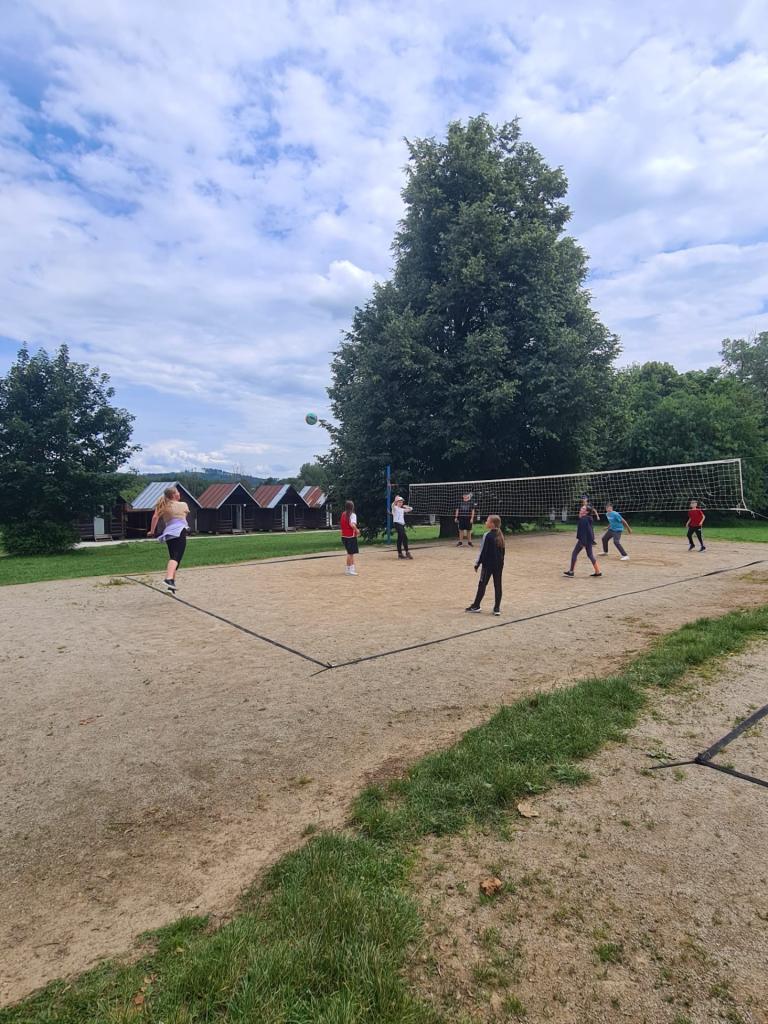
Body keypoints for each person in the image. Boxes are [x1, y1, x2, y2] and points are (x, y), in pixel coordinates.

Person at [148, 486, 190, 593]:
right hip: (179, 531)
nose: (179, 494)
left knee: (174, 558)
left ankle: (171, 586)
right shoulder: (183, 504)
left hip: (168, 533)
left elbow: (155, 517)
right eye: (178, 492)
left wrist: (152, 531)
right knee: (176, 557)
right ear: (174, 495)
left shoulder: (163, 505)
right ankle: (169, 579)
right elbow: (183, 517)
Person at [466, 514, 505, 615]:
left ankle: (476, 606)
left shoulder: (487, 535)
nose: (485, 522)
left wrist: (477, 563)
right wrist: (501, 564)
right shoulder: (500, 535)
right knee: (498, 585)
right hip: (499, 565)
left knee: (482, 584)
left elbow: (483, 552)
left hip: (488, 565)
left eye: (487, 521)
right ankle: (497, 609)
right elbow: (503, 553)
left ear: (492, 524)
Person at [563, 508, 602, 578]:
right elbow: (590, 530)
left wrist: (583, 542)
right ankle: (597, 571)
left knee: (574, 553)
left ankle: (571, 572)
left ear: (586, 512)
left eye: (583, 509)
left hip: (584, 540)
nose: (581, 509)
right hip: (589, 539)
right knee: (590, 555)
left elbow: (584, 532)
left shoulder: (584, 519)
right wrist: (592, 540)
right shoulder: (588, 518)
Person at [340, 499, 360, 575]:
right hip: (351, 536)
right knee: (350, 553)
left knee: (350, 553)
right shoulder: (352, 515)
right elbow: (352, 524)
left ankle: (352, 568)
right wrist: (357, 530)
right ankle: (349, 570)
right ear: (352, 507)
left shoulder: (343, 514)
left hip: (344, 536)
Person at [391, 495, 414, 560]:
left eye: (401, 502)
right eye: (399, 502)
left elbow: (411, 509)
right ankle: (406, 552)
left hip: (401, 525)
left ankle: (400, 554)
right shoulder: (395, 508)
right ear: (397, 502)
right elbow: (392, 505)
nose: (401, 503)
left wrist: (407, 506)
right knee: (404, 537)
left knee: (400, 538)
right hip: (397, 524)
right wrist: (395, 500)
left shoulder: (402, 509)